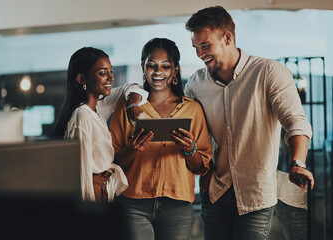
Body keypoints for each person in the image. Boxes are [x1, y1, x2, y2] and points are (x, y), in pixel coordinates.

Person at [183, 6, 314, 240]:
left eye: (205, 45)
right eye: (196, 47)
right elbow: (190, 132)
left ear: (228, 38)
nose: (200, 54)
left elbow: (295, 121)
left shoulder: (268, 72)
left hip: (256, 194)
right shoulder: (195, 84)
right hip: (215, 191)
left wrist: (298, 162)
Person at [109, 38, 213, 240]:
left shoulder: (192, 109)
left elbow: (201, 167)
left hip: (178, 205)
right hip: (133, 204)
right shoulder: (125, 109)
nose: (158, 72)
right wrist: (132, 149)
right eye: (151, 65)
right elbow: (113, 165)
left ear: (175, 70)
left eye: (166, 66)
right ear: (143, 67)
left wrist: (190, 149)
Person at [55, 47, 148, 202]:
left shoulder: (98, 108)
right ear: (81, 79)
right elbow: (81, 173)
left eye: (111, 71)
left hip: (104, 191)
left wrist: (132, 105)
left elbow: (133, 87)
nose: (110, 78)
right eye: (103, 73)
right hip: (91, 195)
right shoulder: (82, 115)